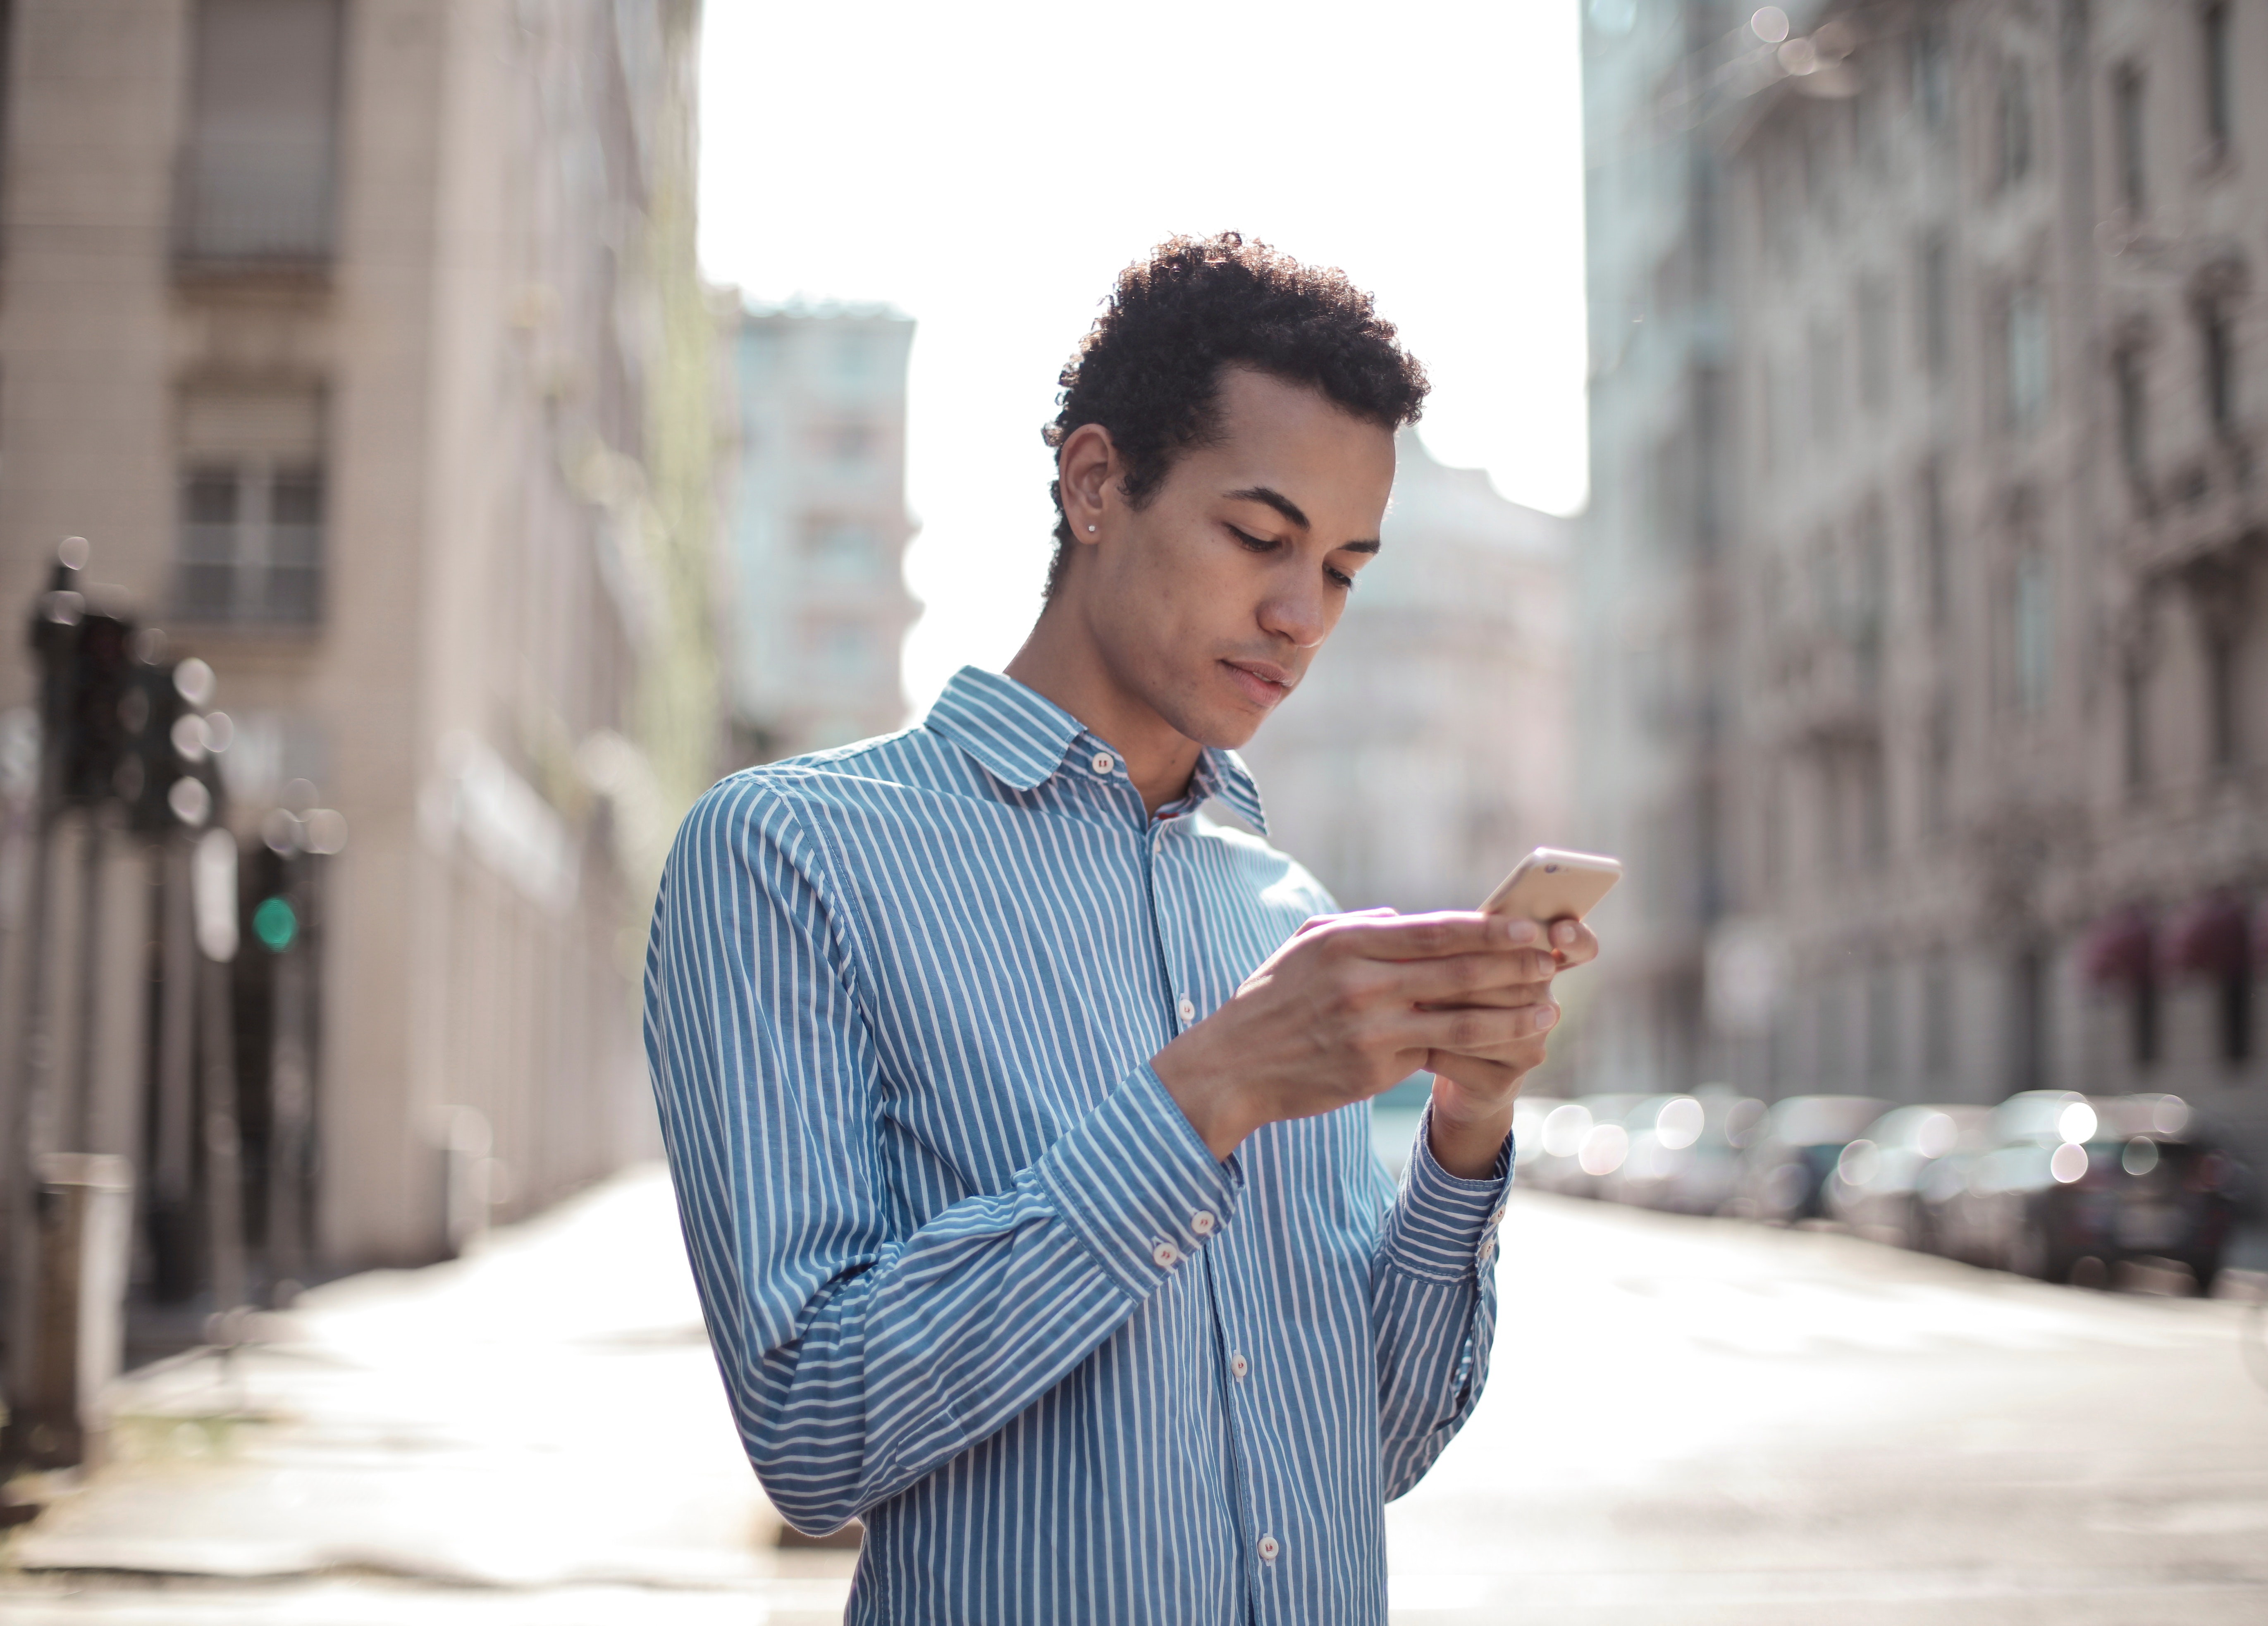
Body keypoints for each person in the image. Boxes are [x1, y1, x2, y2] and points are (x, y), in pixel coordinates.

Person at [644, 234, 1597, 1624]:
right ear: (1097, 484)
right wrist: (1210, 1092)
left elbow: (1368, 1445)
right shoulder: (791, 855)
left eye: (1342, 568)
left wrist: (1465, 1130)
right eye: (1261, 538)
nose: (1298, 615)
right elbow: (812, 1428)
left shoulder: (1282, 906)